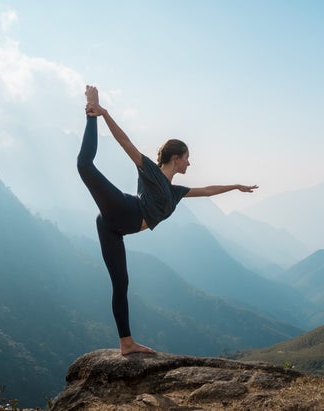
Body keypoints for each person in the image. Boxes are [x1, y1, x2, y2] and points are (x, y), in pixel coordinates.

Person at [77, 85, 258, 355]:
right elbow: (125, 142)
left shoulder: (176, 192)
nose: (189, 164)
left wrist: (235, 186)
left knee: (121, 283)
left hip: (114, 227)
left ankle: (126, 343)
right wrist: (102, 112)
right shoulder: (151, 171)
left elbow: (207, 190)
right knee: (85, 165)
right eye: (187, 158)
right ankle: (90, 111)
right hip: (126, 211)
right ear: (176, 158)